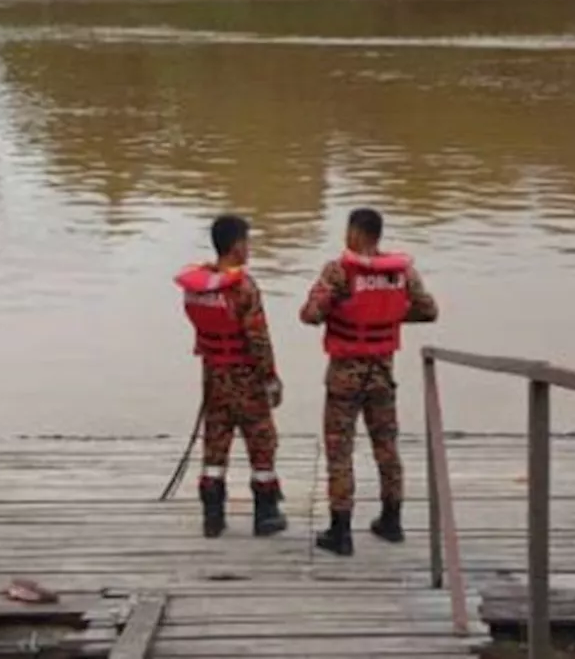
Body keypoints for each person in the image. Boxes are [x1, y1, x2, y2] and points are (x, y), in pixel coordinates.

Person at [300, 208, 439, 556]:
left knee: (340, 450)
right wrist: (389, 316)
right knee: (386, 446)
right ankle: (392, 521)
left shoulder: (338, 271)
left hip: (345, 375)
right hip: (381, 374)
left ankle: (340, 531)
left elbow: (310, 314)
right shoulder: (400, 272)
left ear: (356, 234)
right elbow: (429, 310)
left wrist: (341, 312)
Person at [174, 214, 287, 538]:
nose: (249, 248)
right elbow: (258, 339)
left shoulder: (196, 289)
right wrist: (271, 379)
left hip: (213, 375)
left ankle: (213, 517)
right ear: (237, 246)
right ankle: (265, 516)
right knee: (262, 441)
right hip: (246, 375)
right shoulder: (243, 288)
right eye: (247, 242)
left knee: (215, 443)